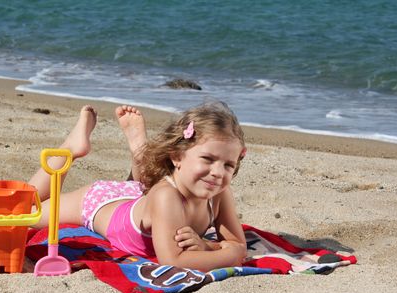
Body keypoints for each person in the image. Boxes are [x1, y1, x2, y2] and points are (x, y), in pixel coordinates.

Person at [29, 102, 247, 271]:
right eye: (208, 159)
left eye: (229, 165)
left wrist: (207, 246)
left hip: (139, 196)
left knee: (143, 186)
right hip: (102, 203)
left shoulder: (218, 193)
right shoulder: (166, 197)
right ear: (177, 156)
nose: (218, 172)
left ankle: (142, 154)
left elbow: (236, 243)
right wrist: (231, 254)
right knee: (27, 210)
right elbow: (174, 261)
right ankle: (71, 147)